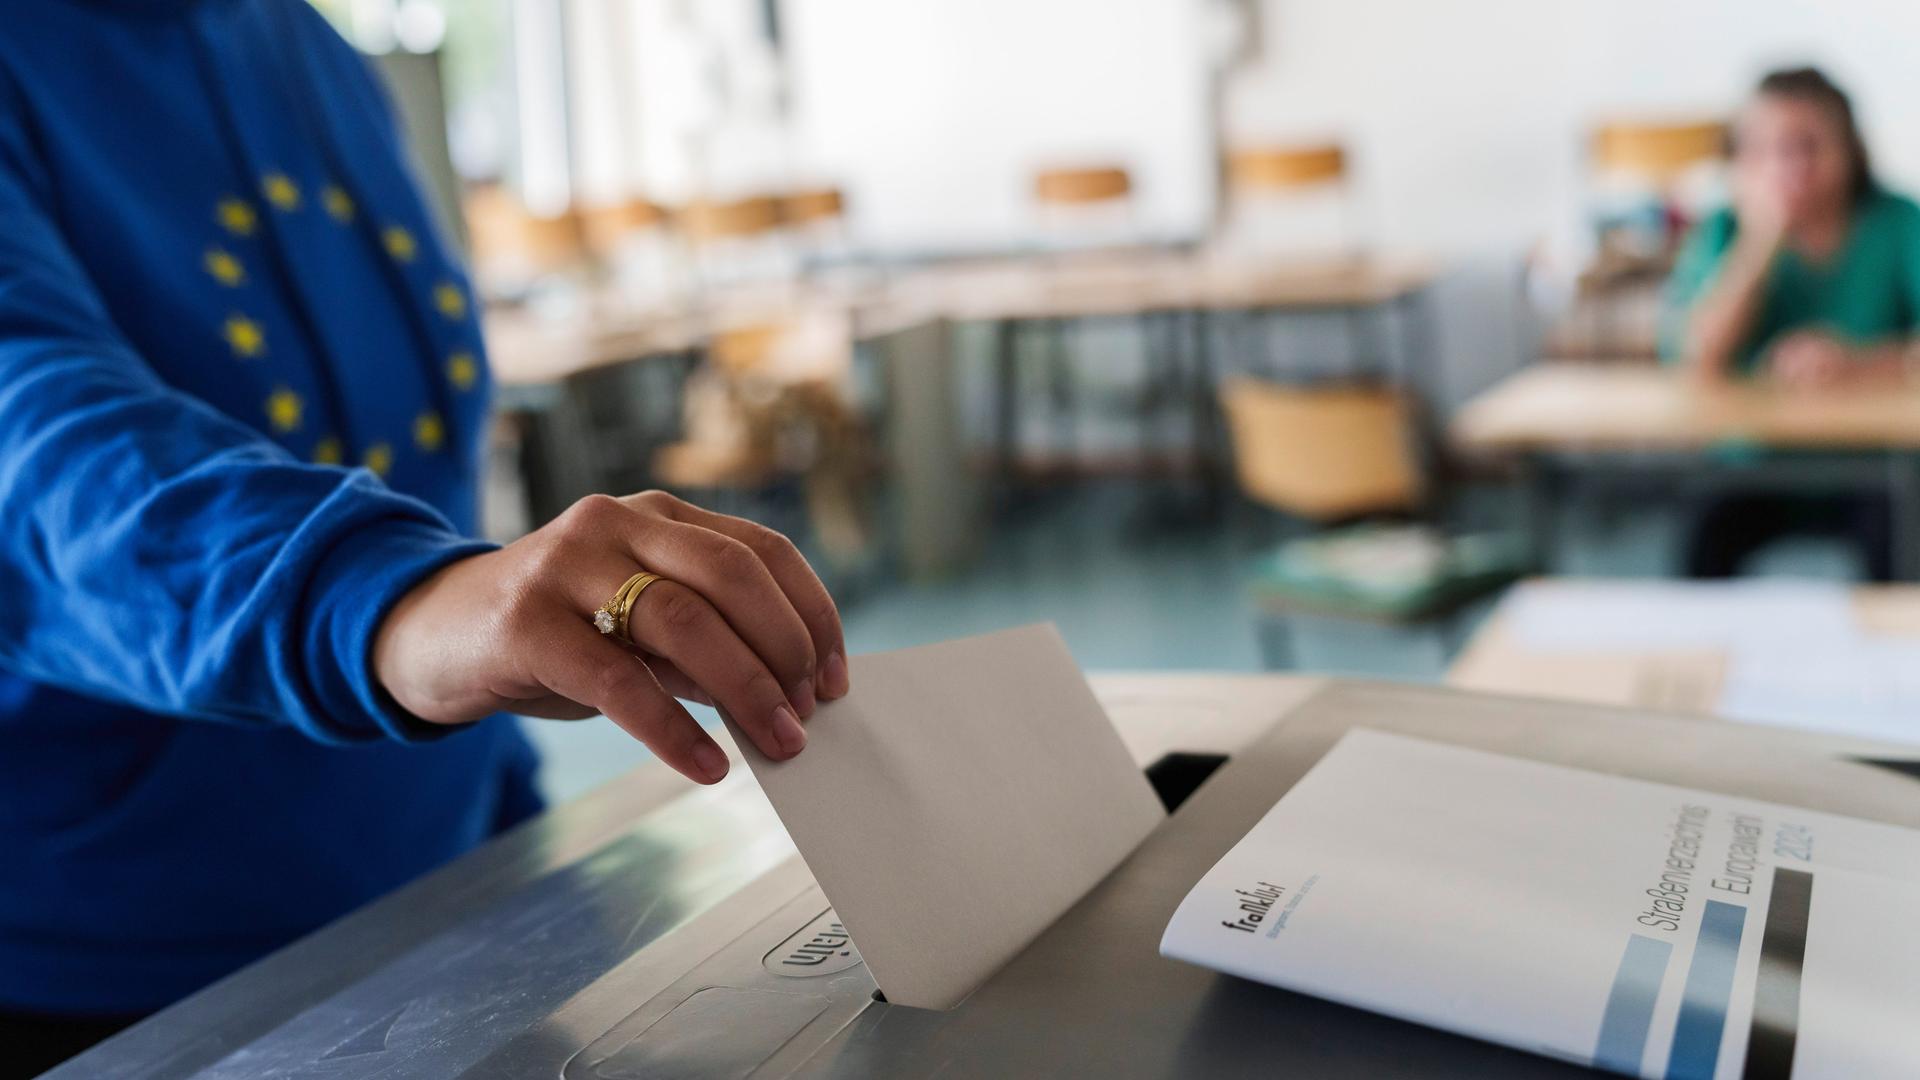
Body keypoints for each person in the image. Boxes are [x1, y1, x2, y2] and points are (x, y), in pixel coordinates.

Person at [0, 3, 847, 1075]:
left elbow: (416, 472)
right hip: (124, 979)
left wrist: (516, 800)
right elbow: (36, 450)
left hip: (455, 891)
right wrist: (387, 595)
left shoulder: (299, 41)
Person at [1664, 66, 1920, 580]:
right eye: (1768, 149)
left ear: (1850, 148)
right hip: (1753, 463)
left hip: (1875, 464)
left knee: (1900, 540)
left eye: (1809, 145)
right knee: (1703, 537)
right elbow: (1697, 357)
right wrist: (1762, 238)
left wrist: (1861, 364)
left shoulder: (1896, 222)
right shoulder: (1723, 230)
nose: (1791, 166)